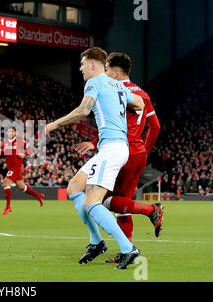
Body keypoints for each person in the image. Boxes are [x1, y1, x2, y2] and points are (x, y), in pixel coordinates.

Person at [46, 47, 145, 269]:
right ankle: (96, 241)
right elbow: (139, 103)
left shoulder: (96, 82)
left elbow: (83, 111)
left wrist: (52, 124)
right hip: (116, 147)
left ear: (93, 64)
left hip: (111, 149)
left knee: (92, 201)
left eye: (82, 64)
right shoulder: (118, 84)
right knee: (74, 188)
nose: (80, 69)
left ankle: (129, 248)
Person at [73, 52, 163, 263]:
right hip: (138, 152)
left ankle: (150, 210)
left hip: (122, 149)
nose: (103, 74)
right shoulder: (142, 94)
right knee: (121, 204)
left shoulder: (114, 89)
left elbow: (113, 121)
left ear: (113, 72)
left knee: (97, 200)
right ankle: (126, 250)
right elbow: (155, 127)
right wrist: (145, 151)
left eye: (106, 70)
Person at [0, 127, 44, 215]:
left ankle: (8, 207)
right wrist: (2, 152)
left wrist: (24, 154)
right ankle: (38, 196)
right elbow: (0, 153)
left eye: (12, 131)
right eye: (8, 131)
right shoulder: (4, 143)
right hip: (10, 167)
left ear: (15, 132)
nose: (10, 133)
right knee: (21, 187)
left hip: (16, 167)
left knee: (6, 183)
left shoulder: (20, 141)